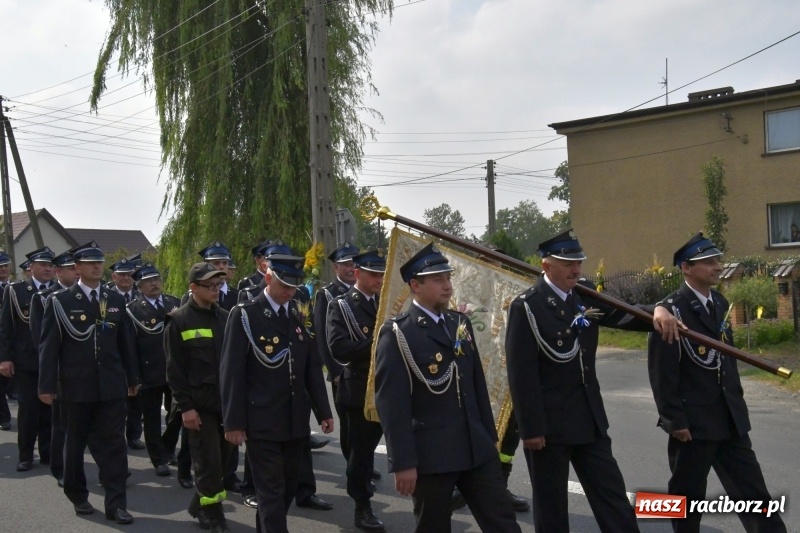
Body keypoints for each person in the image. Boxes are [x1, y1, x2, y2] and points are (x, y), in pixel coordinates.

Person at [505, 229, 679, 533]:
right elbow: (521, 374)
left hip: (589, 421)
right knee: (551, 509)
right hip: (549, 428)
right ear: (546, 266)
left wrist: (658, 311)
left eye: (579, 263)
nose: (576, 269)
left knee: (612, 499)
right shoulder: (528, 306)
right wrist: (530, 428)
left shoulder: (584, 295)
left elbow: (624, 315)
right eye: (568, 263)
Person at [374, 243, 522, 533]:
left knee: (503, 523)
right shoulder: (399, 333)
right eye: (438, 279)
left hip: (475, 448)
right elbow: (392, 404)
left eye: (448, 278)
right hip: (432, 455)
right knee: (433, 527)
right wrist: (403, 462)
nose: (447, 285)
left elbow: (477, 383)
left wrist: (488, 438)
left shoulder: (459, 322)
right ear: (415, 285)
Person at [648, 233, 787, 533]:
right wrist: (674, 419)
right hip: (693, 424)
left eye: (717, 260)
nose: (717, 266)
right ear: (686, 268)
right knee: (687, 499)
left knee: (754, 495)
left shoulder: (720, 302)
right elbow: (663, 373)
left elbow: (725, 362)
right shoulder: (672, 311)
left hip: (729, 418)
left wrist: (737, 404)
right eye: (708, 262)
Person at [221, 252, 334, 533]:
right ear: (268, 278)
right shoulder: (246, 315)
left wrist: (323, 411)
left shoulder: (297, 314)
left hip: (295, 421)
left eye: (294, 285)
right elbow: (231, 371)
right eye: (284, 284)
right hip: (262, 421)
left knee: (285, 489)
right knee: (270, 492)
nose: (290, 291)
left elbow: (310, 367)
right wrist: (233, 422)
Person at [38, 241, 140, 524]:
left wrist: (132, 378)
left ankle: (116, 503)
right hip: (74, 386)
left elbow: (126, 344)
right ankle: (78, 495)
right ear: (77, 268)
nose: (97, 266)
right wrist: (46, 386)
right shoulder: (61, 301)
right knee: (74, 446)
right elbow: (49, 347)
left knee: (114, 447)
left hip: (110, 386)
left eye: (100, 262)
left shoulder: (115, 300)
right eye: (90, 263)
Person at [165, 262, 233, 533]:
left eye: (218, 284)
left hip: (225, 404)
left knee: (224, 462)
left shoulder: (226, 317)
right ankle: (212, 515)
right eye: (210, 286)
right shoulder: (178, 320)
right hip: (198, 405)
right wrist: (186, 408)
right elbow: (174, 370)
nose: (216, 290)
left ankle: (199, 505)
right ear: (193, 288)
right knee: (208, 463)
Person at [327, 249, 386, 532]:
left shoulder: (388, 302)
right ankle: (362, 506)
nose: (379, 279)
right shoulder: (342, 306)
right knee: (360, 456)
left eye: (381, 274)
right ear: (358, 273)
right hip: (360, 390)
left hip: (390, 388)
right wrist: (377, 344)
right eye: (374, 274)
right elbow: (339, 348)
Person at [0, 246, 56, 472]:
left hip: (51, 361)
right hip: (26, 361)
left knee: (50, 411)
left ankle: (48, 453)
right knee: (28, 410)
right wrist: (5, 358)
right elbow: (6, 328)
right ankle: (25, 455)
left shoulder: (58, 290)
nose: (47, 269)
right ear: (31, 268)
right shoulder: (16, 291)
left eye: (51, 265)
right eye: (43, 265)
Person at [29, 249, 79, 487]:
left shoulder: (84, 296)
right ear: (60, 271)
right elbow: (43, 339)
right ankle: (59, 467)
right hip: (61, 370)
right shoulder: (45, 297)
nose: (76, 272)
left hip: (84, 370)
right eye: (71, 268)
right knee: (60, 423)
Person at [127, 262, 181, 477]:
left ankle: (167, 447)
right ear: (140, 286)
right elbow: (130, 347)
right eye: (149, 281)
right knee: (150, 417)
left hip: (174, 370)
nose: (155, 283)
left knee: (176, 413)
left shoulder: (174, 302)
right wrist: (134, 376)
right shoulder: (133, 309)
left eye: (157, 279)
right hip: (148, 371)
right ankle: (158, 458)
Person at [313, 242, 359, 463]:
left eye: (355, 263)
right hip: (343, 370)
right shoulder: (328, 295)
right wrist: (336, 371)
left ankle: (363, 463)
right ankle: (353, 464)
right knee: (349, 421)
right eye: (347, 264)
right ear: (336, 267)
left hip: (365, 369)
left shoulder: (365, 291)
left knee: (366, 421)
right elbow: (324, 338)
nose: (352, 268)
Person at [108, 255, 145, 451]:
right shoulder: (105, 297)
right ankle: (115, 435)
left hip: (137, 355)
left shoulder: (141, 296)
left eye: (129, 275)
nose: (126, 278)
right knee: (115, 401)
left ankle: (133, 435)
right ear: (113, 277)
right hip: (114, 355)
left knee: (136, 399)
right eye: (121, 275)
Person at [0, 249, 13, 431]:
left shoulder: (17, 288)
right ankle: (4, 417)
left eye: (5, 266)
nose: (3, 269)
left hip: (12, 342)